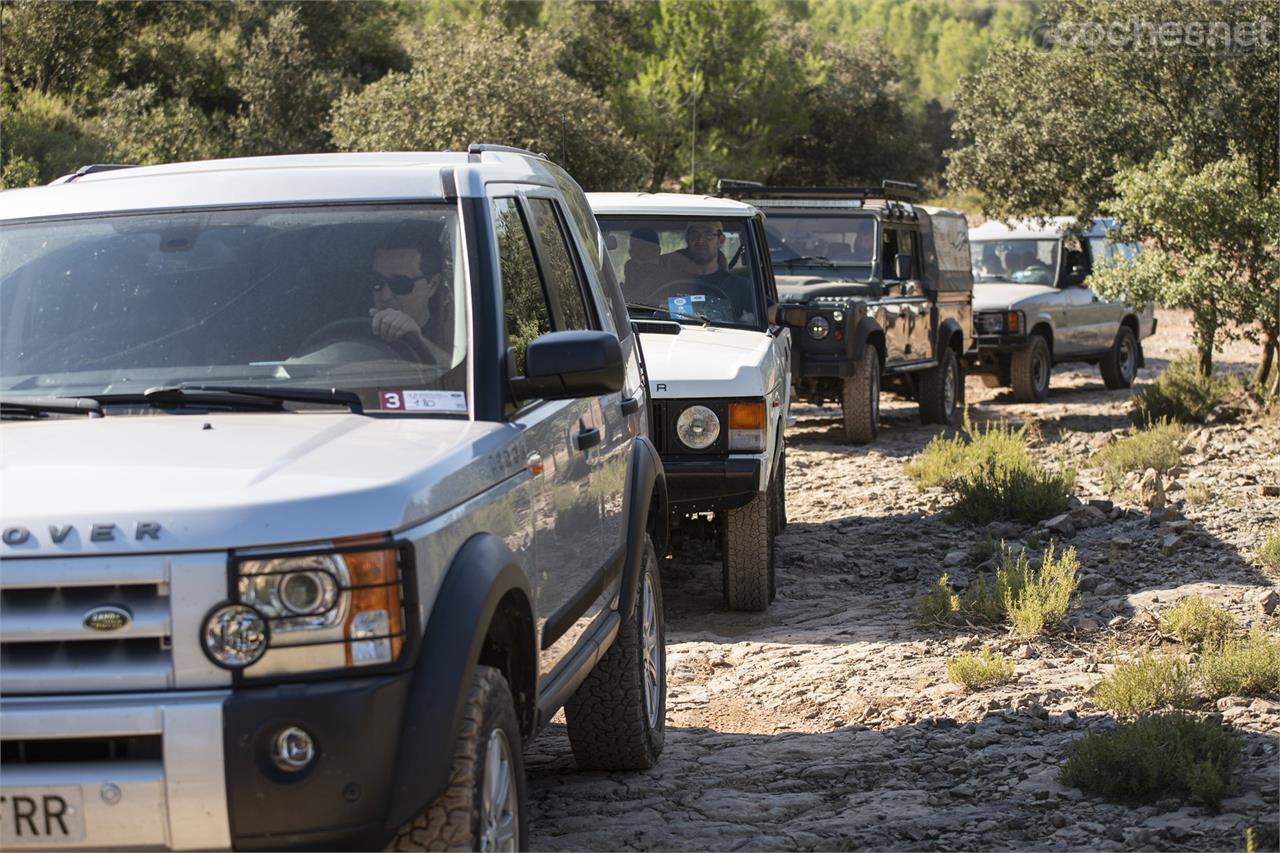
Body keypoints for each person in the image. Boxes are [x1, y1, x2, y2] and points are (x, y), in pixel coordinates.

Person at [368, 231, 451, 357]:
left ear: (433, 284)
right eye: (377, 281)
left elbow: (463, 371)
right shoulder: (349, 333)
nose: (385, 296)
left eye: (400, 284)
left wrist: (419, 342)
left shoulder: (456, 335)